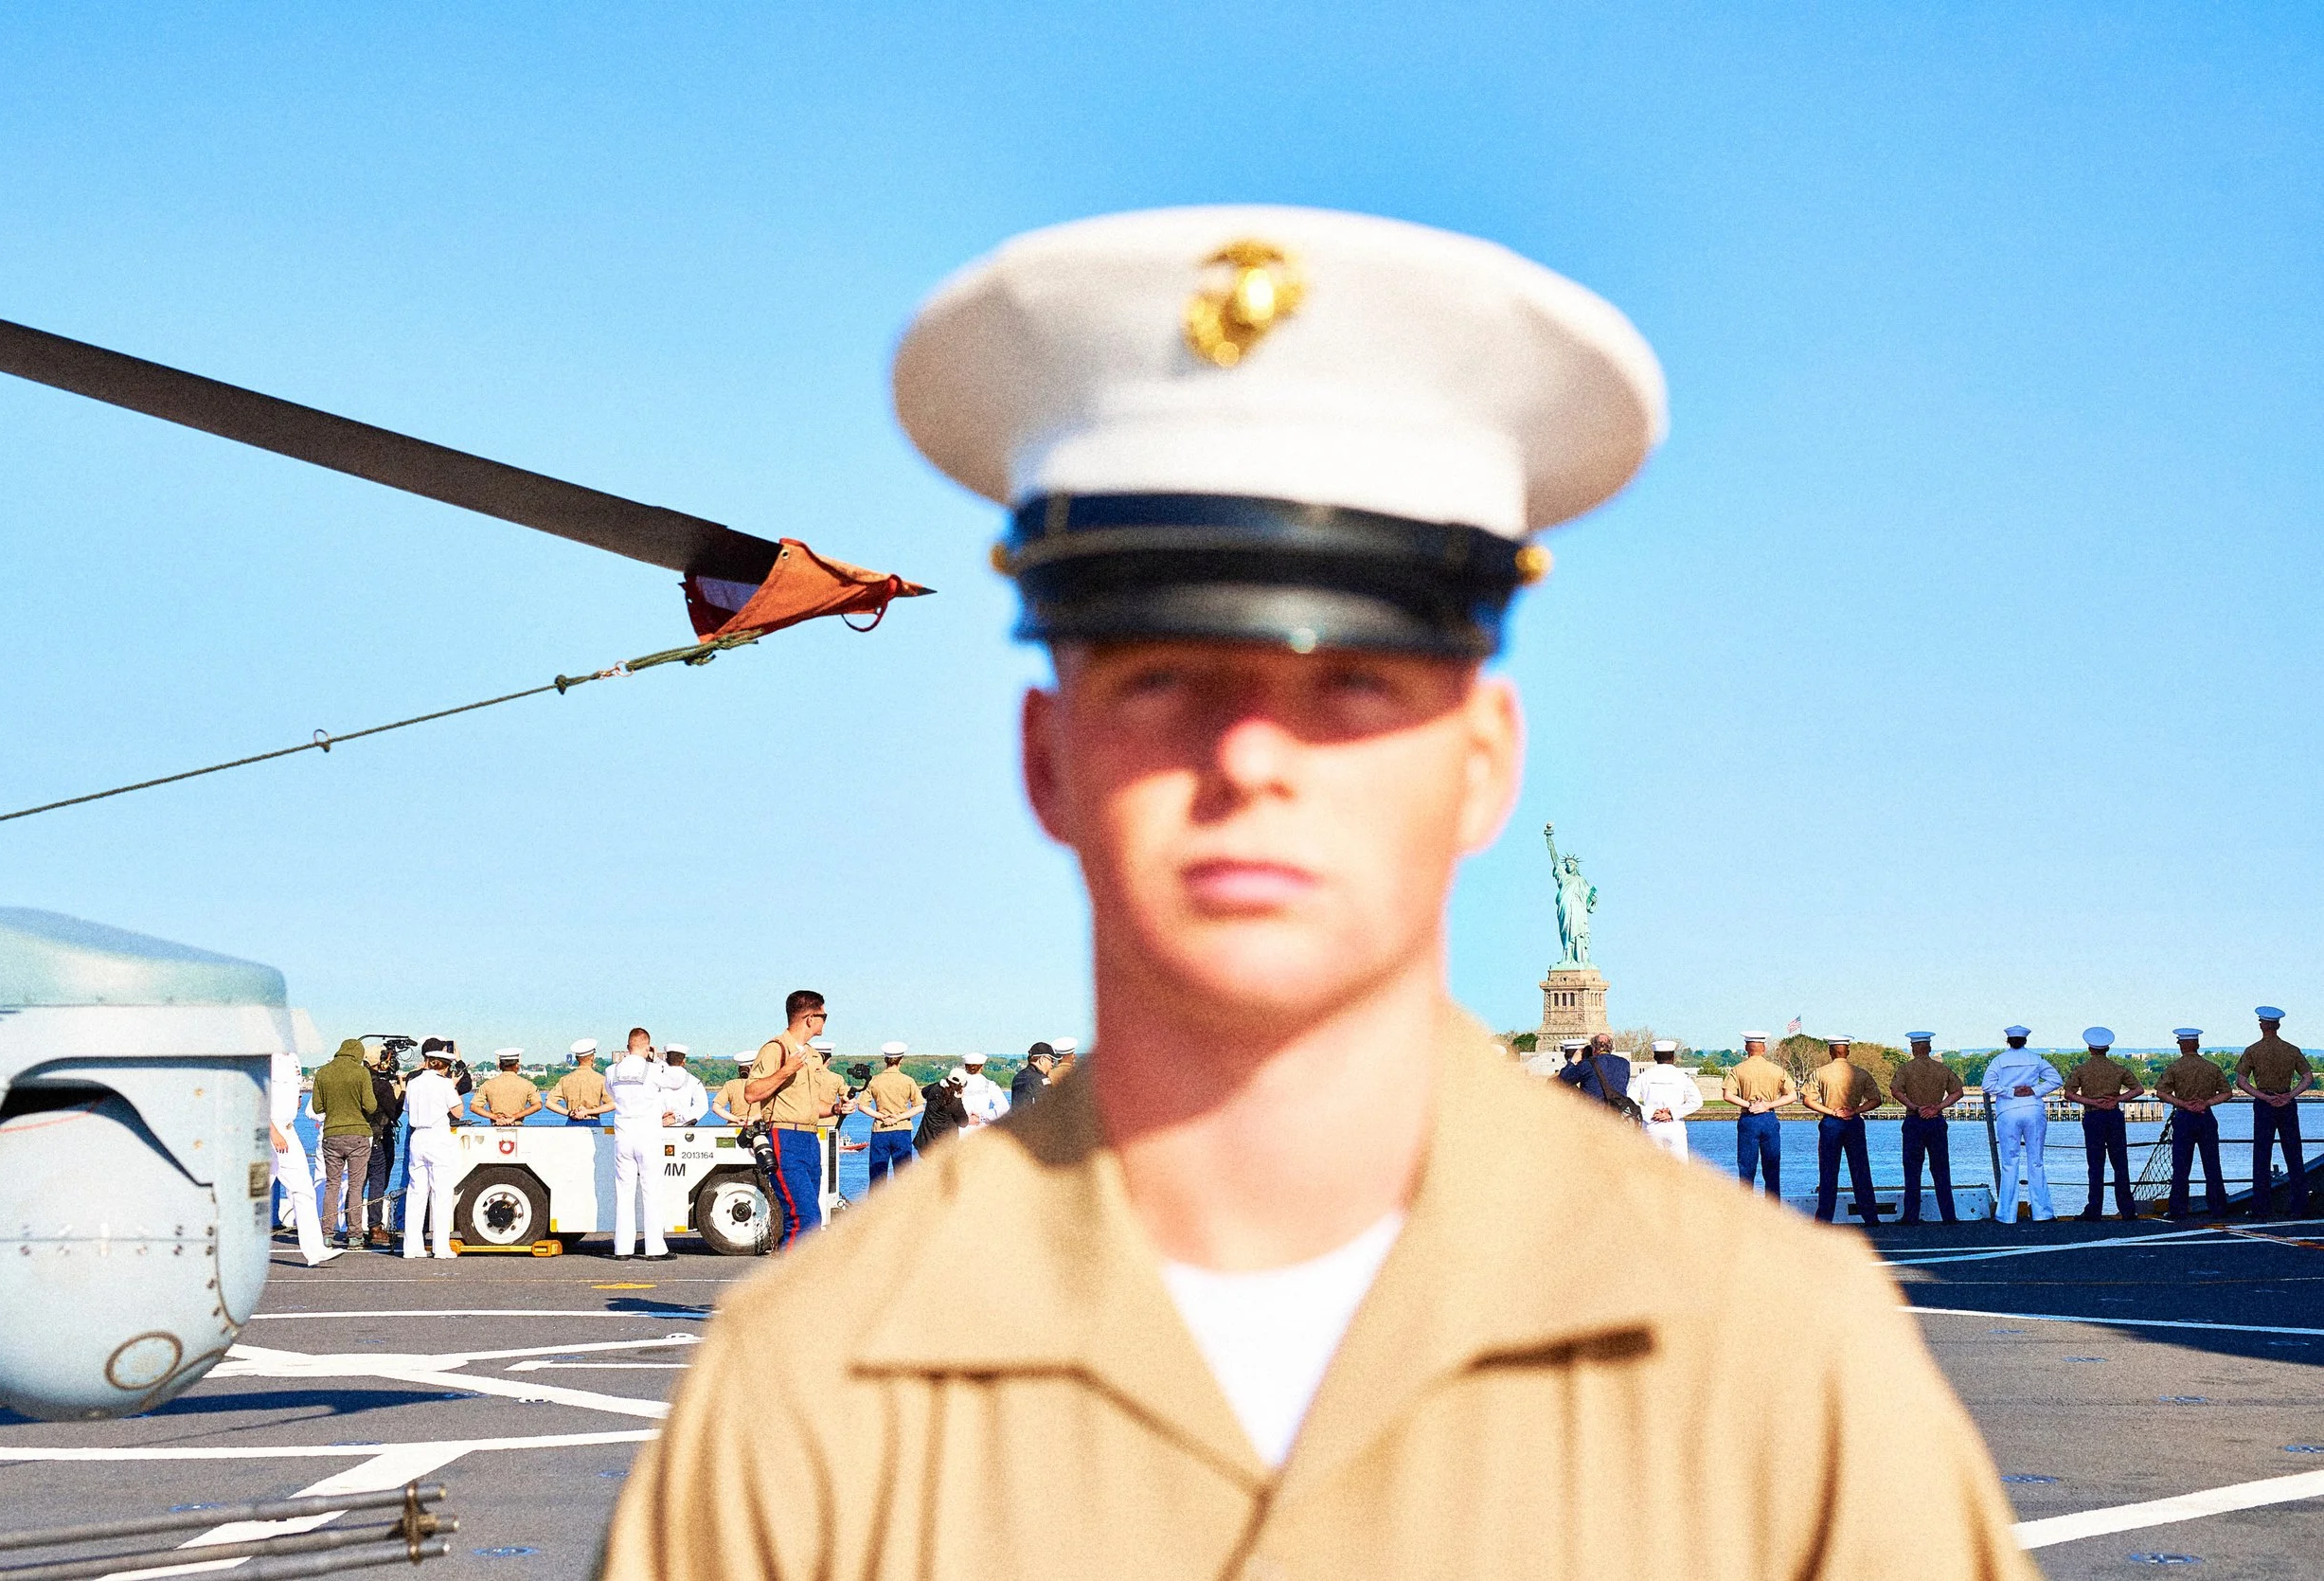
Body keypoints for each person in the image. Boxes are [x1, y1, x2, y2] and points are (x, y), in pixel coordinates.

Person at [603, 207, 2029, 1579]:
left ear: (1484, 762)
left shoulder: (1788, 1370)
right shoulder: (798, 1400)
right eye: (1161, 673)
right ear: (1046, 757)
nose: (1252, 756)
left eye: (1355, 680)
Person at [741, 992, 852, 1249]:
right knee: (805, 1219)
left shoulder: (813, 1055)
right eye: (824, 1016)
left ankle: (800, 1281)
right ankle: (785, 1285)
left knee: (812, 1220)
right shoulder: (776, 1049)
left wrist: (836, 1108)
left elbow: (810, 1106)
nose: (825, 1021)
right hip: (784, 1137)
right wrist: (785, 1071)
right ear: (810, 1018)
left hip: (809, 1138)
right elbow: (751, 1092)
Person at [2236, 1006, 2313, 1220]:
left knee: (2261, 1154)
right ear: (2278, 1025)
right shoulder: (2292, 1050)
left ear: (2261, 1025)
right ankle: (2300, 1205)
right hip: (2287, 1103)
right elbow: (2308, 1078)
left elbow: (2241, 1082)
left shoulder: (2252, 1051)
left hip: (2264, 1104)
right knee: (2294, 1154)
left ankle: (2261, 1206)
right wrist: (2290, 1096)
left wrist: (2263, 1097)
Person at [1981, 1027, 2063, 1225]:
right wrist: (2035, 1090)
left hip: (2008, 1111)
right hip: (2033, 1109)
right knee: (2036, 1161)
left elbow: (1987, 1085)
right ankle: (2042, 1212)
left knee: (2010, 1162)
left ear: (2008, 1041)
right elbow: (2056, 1080)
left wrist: (2010, 1091)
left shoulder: (1999, 1061)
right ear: (2025, 1041)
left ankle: (2006, 1214)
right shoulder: (2036, 1059)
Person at [608, 1027, 677, 1261]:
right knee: (652, 1191)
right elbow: (676, 1081)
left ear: (628, 1046)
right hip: (647, 1135)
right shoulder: (652, 1069)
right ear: (647, 1046)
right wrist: (657, 1059)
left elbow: (610, 1093)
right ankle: (655, 1248)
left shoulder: (612, 1071)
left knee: (624, 1192)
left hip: (623, 1136)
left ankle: (622, 1248)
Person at [1801, 1036, 1885, 1224]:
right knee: (1861, 1170)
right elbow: (1876, 1099)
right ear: (1848, 1051)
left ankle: (1824, 1218)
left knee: (1828, 1171)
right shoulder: (1861, 1073)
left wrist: (1832, 1111)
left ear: (1831, 1052)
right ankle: (1870, 1216)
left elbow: (1808, 1100)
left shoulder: (1820, 1073)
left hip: (1831, 1122)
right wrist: (1855, 1110)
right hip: (1853, 1121)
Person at [268, 1045, 338, 1267]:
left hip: (288, 1129)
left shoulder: (294, 1059)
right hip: (270, 1130)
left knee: (303, 1189)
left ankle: (315, 1250)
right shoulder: (267, 1058)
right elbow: (256, 1096)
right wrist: (272, 1132)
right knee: (252, 1195)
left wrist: (296, 1099)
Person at [2063, 1027, 2142, 1222]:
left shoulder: (2081, 1069)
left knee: (2095, 1164)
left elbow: (2069, 1094)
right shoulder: (2118, 1069)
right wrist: (2118, 1099)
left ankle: (2094, 1208)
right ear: (2107, 1048)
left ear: (2090, 1048)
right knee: (2120, 1163)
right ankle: (2127, 1209)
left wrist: (2092, 1101)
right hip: (2113, 1116)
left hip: (2093, 1117)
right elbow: (2138, 1089)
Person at [308, 1036, 377, 1249]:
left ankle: (327, 1234)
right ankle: (355, 1235)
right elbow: (371, 1106)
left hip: (331, 1135)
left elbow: (318, 1107)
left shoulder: (323, 1072)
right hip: (357, 1135)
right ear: (358, 1054)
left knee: (332, 1185)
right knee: (355, 1187)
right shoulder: (361, 1072)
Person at [2155, 1028, 2230, 1219]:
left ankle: (2178, 1208)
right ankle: (2218, 1207)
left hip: (2184, 1117)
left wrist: (2184, 1104)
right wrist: (2205, 1103)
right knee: (2212, 1164)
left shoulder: (2175, 1068)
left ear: (2181, 1045)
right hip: (2206, 1116)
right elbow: (2226, 1093)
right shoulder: (2212, 1067)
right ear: (2197, 1044)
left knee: (2181, 1166)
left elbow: (2161, 1093)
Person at [1889, 1032, 1963, 1224]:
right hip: (1936, 1121)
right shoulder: (1941, 1069)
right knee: (1941, 1169)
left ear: (1913, 1049)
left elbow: (1895, 1090)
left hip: (1914, 1120)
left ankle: (1911, 1215)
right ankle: (1948, 1215)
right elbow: (1958, 1092)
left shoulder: (1905, 1069)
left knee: (1912, 1169)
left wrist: (1914, 1106)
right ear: (1929, 1048)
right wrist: (1937, 1107)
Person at [1720, 1032, 1797, 1197]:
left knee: (1746, 1169)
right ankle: (1773, 1212)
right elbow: (1792, 1095)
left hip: (1749, 1119)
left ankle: (1747, 1213)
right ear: (1764, 1048)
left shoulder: (1738, 1069)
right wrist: (1767, 1105)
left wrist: (1749, 1105)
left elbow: (1727, 1095)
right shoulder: (1777, 1070)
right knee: (1772, 1169)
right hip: (1769, 1118)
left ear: (1746, 1048)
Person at [401, 1043, 459, 1260]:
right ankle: (441, 1247)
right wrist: (453, 1087)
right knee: (441, 1193)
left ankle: (411, 1246)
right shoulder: (444, 1084)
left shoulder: (413, 1083)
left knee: (416, 1192)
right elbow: (458, 1111)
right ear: (444, 1066)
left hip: (417, 1136)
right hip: (437, 1136)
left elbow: (407, 1109)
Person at [359, 1042, 407, 1249]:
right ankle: (375, 1227)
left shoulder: (359, 1082)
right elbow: (394, 1113)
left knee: (357, 1184)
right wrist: (402, 1090)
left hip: (358, 1138)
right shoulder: (382, 1086)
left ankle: (352, 1228)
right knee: (378, 1182)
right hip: (379, 1138)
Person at [858, 1042, 924, 1186]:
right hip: (902, 1129)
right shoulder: (908, 1081)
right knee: (904, 1176)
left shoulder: (875, 1081)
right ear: (901, 1060)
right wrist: (899, 1117)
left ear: (885, 1060)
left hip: (880, 1130)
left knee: (877, 1177)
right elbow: (919, 1107)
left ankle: (876, 1207)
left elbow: (862, 1106)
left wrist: (880, 1116)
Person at [1624, 1041, 1701, 1159]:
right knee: (1680, 1171)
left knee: (1652, 1169)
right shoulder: (1681, 1076)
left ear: (1655, 1057)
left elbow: (1629, 1100)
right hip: (1675, 1127)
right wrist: (1672, 1113)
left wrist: (1650, 1113)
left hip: (1651, 1127)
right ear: (1673, 1057)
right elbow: (1697, 1101)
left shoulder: (1644, 1076)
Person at [1559, 1030, 1634, 1114]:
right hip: (1616, 1116)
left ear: (1594, 1048)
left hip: (1593, 1117)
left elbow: (1562, 1081)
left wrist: (1573, 1061)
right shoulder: (1624, 1064)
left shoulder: (1587, 1064)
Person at [548, 1039, 614, 1125]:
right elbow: (612, 1104)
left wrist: (569, 1113)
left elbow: (549, 1103)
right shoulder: (600, 1079)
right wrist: (588, 1111)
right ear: (592, 1057)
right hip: (592, 1120)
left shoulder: (565, 1079)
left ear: (577, 1058)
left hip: (572, 1121)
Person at [474, 1049, 544, 1127]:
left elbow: (474, 1107)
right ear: (517, 1065)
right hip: (518, 1126)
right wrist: (515, 1116)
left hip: (495, 1125)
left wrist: (495, 1117)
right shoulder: (527, 1084)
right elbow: (538, 1105)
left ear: (499, 1066)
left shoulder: (488, 1084)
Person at [910, 1069, 967, 1154]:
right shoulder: (955, 1101)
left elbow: (923, 1092)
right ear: (961, 1086)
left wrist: (939, 1084)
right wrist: (960, 1099)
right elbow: (964, 1122)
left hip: (924, 1141)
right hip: (945, 1146)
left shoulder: (934, 1089)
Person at [956, 1051, 1010, 1133]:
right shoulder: (990, 1085)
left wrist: (965, 1119)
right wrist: (981, 1117)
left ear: (965, 1067)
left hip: (959, 1131)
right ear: (982, 1067)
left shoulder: (955, 1086)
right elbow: (1004, 1108)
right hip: (982, 1131)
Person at [663, 1047, 710, 1126]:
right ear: (684, 1060)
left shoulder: (654, 1078)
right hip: (683, 1129)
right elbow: (702, 1107)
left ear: (666, 1060)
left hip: (658, 1126)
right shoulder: (694, 1081)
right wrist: (677, 1117)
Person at [1011, 1042, 1055, 1108]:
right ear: (1042, 1059)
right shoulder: (1041, 1080)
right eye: (1051, 1060)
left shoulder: (1018, 1077)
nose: (1052, 1064)